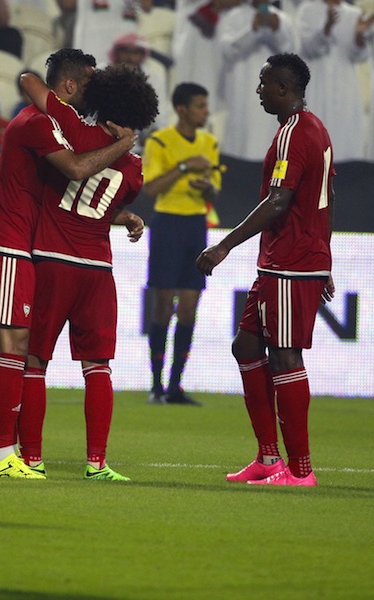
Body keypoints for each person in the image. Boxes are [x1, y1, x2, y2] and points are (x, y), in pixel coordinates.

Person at [0, 48, 137, 479]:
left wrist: (120, 215)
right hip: (8, 241)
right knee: (16, 350)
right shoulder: (42, 124)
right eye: (88, 84)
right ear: (68, 87)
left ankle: (3, 450)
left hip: (28, 248)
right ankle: (7, 454)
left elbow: (71, 194)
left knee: (22, 352)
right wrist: (123, 144)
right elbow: (78, 171)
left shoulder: (56, 125)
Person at [196, 53, 335, 487]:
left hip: (292, 263)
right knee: (246, 346)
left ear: (283, 87)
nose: (258, 90)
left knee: (285, 355)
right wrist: (324, 254)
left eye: (263, 82)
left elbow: (279, 202)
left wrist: (223, 245)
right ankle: (269, 458)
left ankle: (301, 470)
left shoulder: (296, 134)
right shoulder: (307, 129)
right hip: (284, 260)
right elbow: (323, 197)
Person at [17, 66, 158, 481]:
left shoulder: (72, 137)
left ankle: (32, 458)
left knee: (35, 361)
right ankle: (97, 463)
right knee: (97, 367)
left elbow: (71, 180)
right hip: (97, 269)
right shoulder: (134, 170)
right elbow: (98, 202)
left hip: (52, 261)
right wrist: (124, 213)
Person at [142, 82, 221, 406]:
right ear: (182, 109)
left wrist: (205, 186)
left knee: (188, 307)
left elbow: (214, 189)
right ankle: (156, 385)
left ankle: (175, 386)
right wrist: (186, 167)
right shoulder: (160, 141)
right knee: (163, 305)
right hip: (167, 224)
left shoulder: (209, 142)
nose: (205, 111)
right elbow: (151, 188)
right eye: (200, 105)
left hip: (195, 226)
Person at [217, 0, 295, 160]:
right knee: (242, 144)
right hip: (243, 92)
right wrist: (252, 30)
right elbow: (227, 51)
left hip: (274, 94)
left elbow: (291, 57)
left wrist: (277, 31)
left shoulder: (283, 20)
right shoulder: (233, 17)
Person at [295, 0, 372, 162]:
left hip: (346, 87)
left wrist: (359, 35)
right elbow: (308, 48)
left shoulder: (353, 14)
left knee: (346, 145)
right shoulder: (307, 9)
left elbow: (359, 56)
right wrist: (327, 27)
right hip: (317, 84)